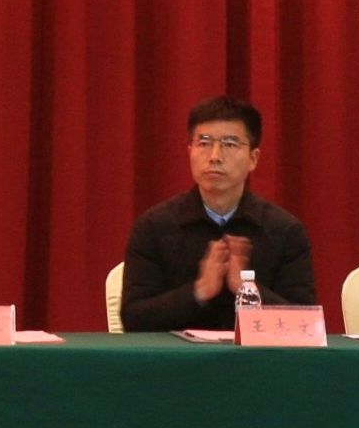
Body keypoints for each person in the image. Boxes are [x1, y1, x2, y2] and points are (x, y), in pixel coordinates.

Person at [120, 95, 316, 332]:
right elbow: (133, 319)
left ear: (253, 158)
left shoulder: (285, 231)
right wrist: (199, 291)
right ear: (190, 151)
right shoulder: (154, 227)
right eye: (204, 143)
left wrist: (247, 289)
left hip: (257, 356)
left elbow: (306, 325)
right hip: (177, 355)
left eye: (230, 144)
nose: (214, 156)